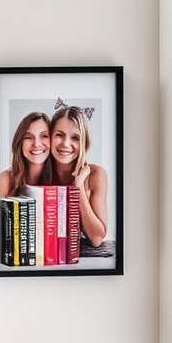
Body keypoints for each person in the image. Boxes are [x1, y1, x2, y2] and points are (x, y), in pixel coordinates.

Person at [48, 103, 111, 253]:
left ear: (84, 142)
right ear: (49, 137)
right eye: (59, 135)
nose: (66, 144)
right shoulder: (39, 172)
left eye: (75, 138)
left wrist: (78, 187)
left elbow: (96, 239)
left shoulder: (96, 175)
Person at [0, 111, 52, 198]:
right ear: (20, 143)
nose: (36, 144)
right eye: (28, 137)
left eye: (44, 136)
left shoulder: (60, 180)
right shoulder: (4, 180)